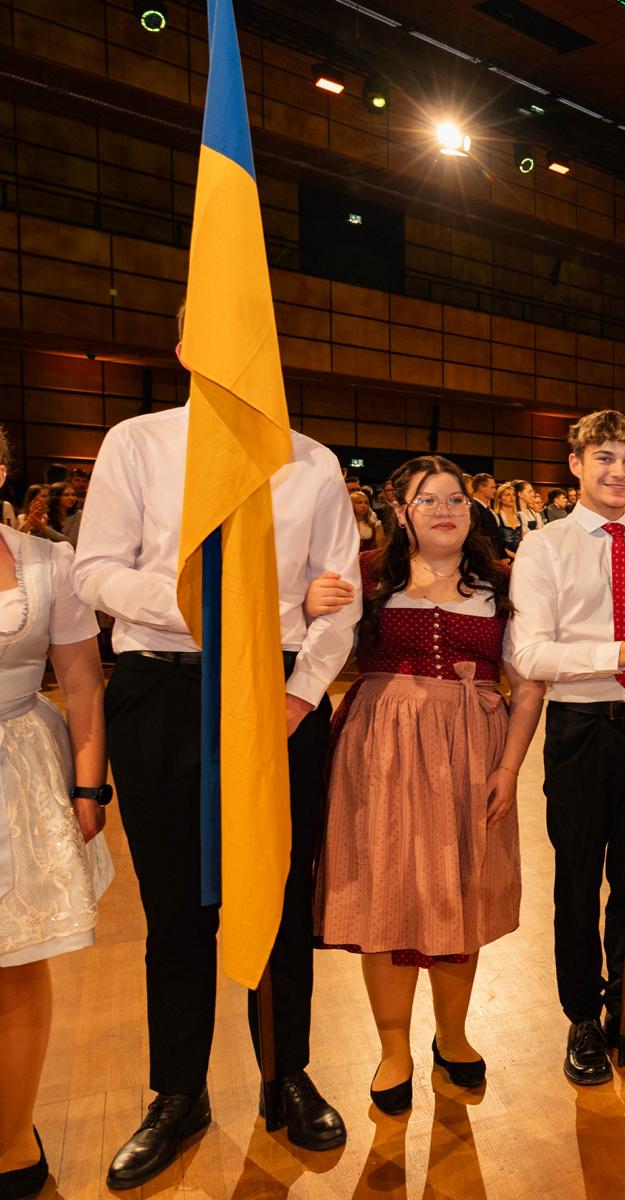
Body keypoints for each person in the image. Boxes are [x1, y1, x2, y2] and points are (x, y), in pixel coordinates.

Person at [74, 307, 359, 1188]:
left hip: (279, 698)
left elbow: (341, 596)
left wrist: (300, 692)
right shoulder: (138, 443)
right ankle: (178, 1093)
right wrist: (218, 607)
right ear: (184, 345)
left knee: (280, 894)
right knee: (176, 910)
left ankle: (286, 1073)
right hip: (164, 691)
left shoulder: (311, 462)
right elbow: (95, 571)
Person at [309, 456, 546, 1116]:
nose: (445, 510)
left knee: (461, 889)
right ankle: (393, 1049)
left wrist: (508, 769)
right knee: (385, 892)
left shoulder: (501, 582)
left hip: (473, 751)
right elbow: (316, 644)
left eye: (456, 499)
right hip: (380, 752)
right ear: (400, 510)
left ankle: (453, 1035)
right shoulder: (365, 576)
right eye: (428, 499)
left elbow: (528, 686)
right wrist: (306, 602)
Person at [508, 411, 625, 1083]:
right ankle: (581, 1015)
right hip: (579, 729)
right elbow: (529, 653)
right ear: (575, 464)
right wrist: (617, 654)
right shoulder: (544, 548)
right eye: (604, 457)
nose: (618, 472)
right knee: (578, 880)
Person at [0, 433, 113, 1200]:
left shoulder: (46, 562)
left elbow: (81, 682)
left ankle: (11, 1136)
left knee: (14, 962)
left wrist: (88, 786)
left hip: (19, 772)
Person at [467, 472, 502, 552]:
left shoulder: (488, 510)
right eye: (492, 487)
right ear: (481, 488)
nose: (495, 491)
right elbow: (475, 538)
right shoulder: (472, 508)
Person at [492, 483, 526, 558]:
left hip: (519, 556)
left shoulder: (520, 516)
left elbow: (523, 540)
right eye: (508, 495)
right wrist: (514, 556)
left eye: (513, 495)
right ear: (499, 498)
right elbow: (495, 543)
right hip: (503, 558)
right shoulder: (496, 516)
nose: (512, 497)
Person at [349, 486, 386, 554]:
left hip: (369, 557)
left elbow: (381, 547)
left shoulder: (374, 524)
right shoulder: (345, 524)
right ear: (352, 504)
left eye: (366, 503)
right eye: (359, 502)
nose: (363, 505)